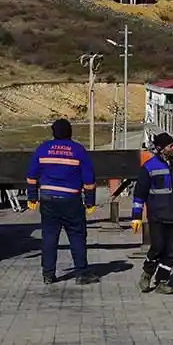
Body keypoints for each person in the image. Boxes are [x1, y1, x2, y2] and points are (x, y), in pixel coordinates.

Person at [25, 118, 99, 285]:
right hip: (71, 200)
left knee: (49, 238)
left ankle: (48, 275)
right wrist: (90, 201)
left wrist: (32, 197)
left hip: (48, 200)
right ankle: (81, 273)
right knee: (77, 236)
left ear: (53, 132)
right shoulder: (78, 150)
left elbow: (31, 176)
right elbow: (89, 179)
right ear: (70, 132)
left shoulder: (43, 149)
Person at [130, 131, 173, 295]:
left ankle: (162, 280)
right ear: (160, 149)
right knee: (158, 247)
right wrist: (136, 217)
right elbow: (139, 194)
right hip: (157, 216)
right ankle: (147, 273)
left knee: (172, 249)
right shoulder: (149, 168)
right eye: (169, 146)